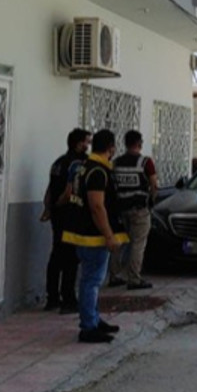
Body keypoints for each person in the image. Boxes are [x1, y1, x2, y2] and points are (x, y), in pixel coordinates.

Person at [62, 129, 130, 343]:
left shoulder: (84, 168)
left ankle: (93, 318)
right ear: (111, 148)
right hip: (93, 236)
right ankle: (88, 326)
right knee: (91, 280)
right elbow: (97, 206)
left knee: (91, 280)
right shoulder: (98, 171)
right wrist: (109, 235)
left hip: (84, 233)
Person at [41, 129, 89, 313]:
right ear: (78, 143)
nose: (88, 146)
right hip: (71, 215)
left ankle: (52, 298)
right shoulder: (77, 164)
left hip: (58, 216)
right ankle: (68, 300)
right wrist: (60, 205)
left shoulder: (58, 162)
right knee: (70, 258)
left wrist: (49, 209)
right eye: (86, 142)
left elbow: (49, 189)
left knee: (56, 255)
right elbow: (68, 192)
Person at [108, 130, 158, 290]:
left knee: (119, 242)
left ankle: (114, 276)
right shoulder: (145, 162)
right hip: (139, 210)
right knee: (138, 244)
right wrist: (151, 201)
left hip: (121, 210)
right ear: (139, 143)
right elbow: (154, 185)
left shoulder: (116, 163)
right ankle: (134, 279)